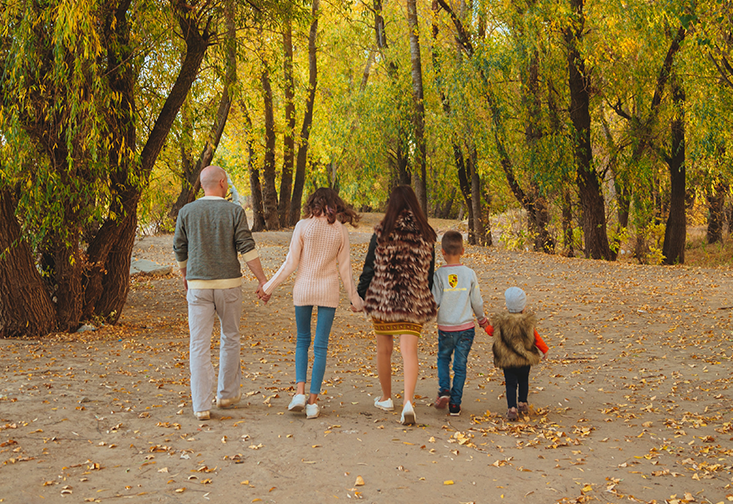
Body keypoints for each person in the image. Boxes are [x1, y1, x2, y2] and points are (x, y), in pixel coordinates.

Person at [173, 165, 269, 421]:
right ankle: (226, 394)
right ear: (223, 183)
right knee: (230, 337)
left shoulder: (186, 212)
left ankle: (201, 405)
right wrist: (262, 280)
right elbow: (246, 248)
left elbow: (179, 248)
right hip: (228, 286)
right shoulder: (234, 212)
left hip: (198, 287)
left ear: (203, 185)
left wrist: (185, 275)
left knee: (199, 345)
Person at [259, 188, 364, 419]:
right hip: (328, 291)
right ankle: (313, 402)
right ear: (335, 204)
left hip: (303, 289)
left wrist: (268, 288)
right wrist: (356, 300)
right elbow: (345, 270)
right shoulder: (340, 231)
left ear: (312, 204)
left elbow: (290, 263)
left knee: (302, 341)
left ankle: (299, 393)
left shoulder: (302, 226)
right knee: (321, 346)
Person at [358, 185, 436, 425]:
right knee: (408, 352)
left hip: (384, 299)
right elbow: (429, 273)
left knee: (384, 350)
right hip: (414, 301)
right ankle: (408, 403)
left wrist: (362, 293)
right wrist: (426, 294)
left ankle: (387, 397)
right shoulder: (426, 233)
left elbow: (369, 266)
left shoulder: (382, 232)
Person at [432, 230, 489, 417]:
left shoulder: (439, 274)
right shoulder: (470, 274)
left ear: (442, 252)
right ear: (463, 251)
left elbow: (435, 300)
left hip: (446, 327)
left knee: (443, 358)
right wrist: (482, 320)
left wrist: (427, 314)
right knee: (460, 365)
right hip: (466, 328)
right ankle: (455, 404)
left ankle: (444, 390)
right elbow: (477, 302)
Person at [486, 287, 549, 421]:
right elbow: (536, 337)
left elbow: (490, 331)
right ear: (523, 307)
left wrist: (485, 324)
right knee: (523, 380)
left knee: (510, 384)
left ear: (507, 306)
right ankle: (522, 403)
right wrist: (545, 349)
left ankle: (512, 408)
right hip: (524, 359)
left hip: (507, 359)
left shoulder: (501, 321)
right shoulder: (527, 322)